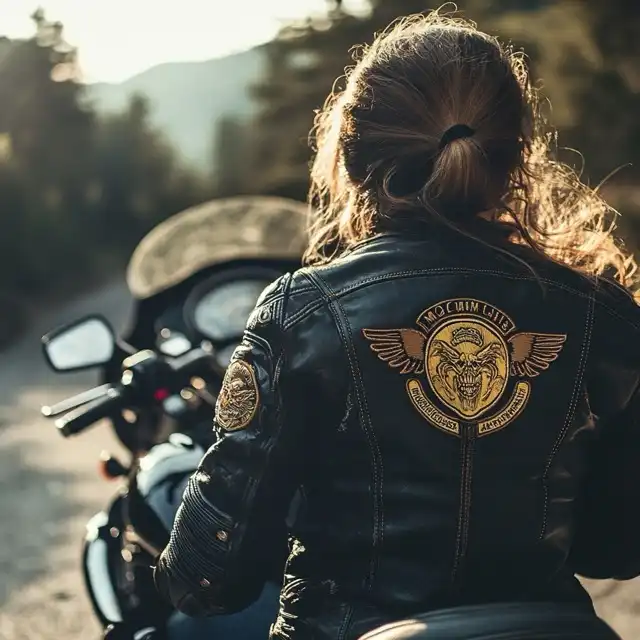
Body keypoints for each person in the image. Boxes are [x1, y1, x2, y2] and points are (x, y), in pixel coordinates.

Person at [153, 9, 640, 640]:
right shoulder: (603, 313)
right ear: (516, 155)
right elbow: (617, 551)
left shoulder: (303, 313)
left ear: (353, 161)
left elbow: (208, 581)